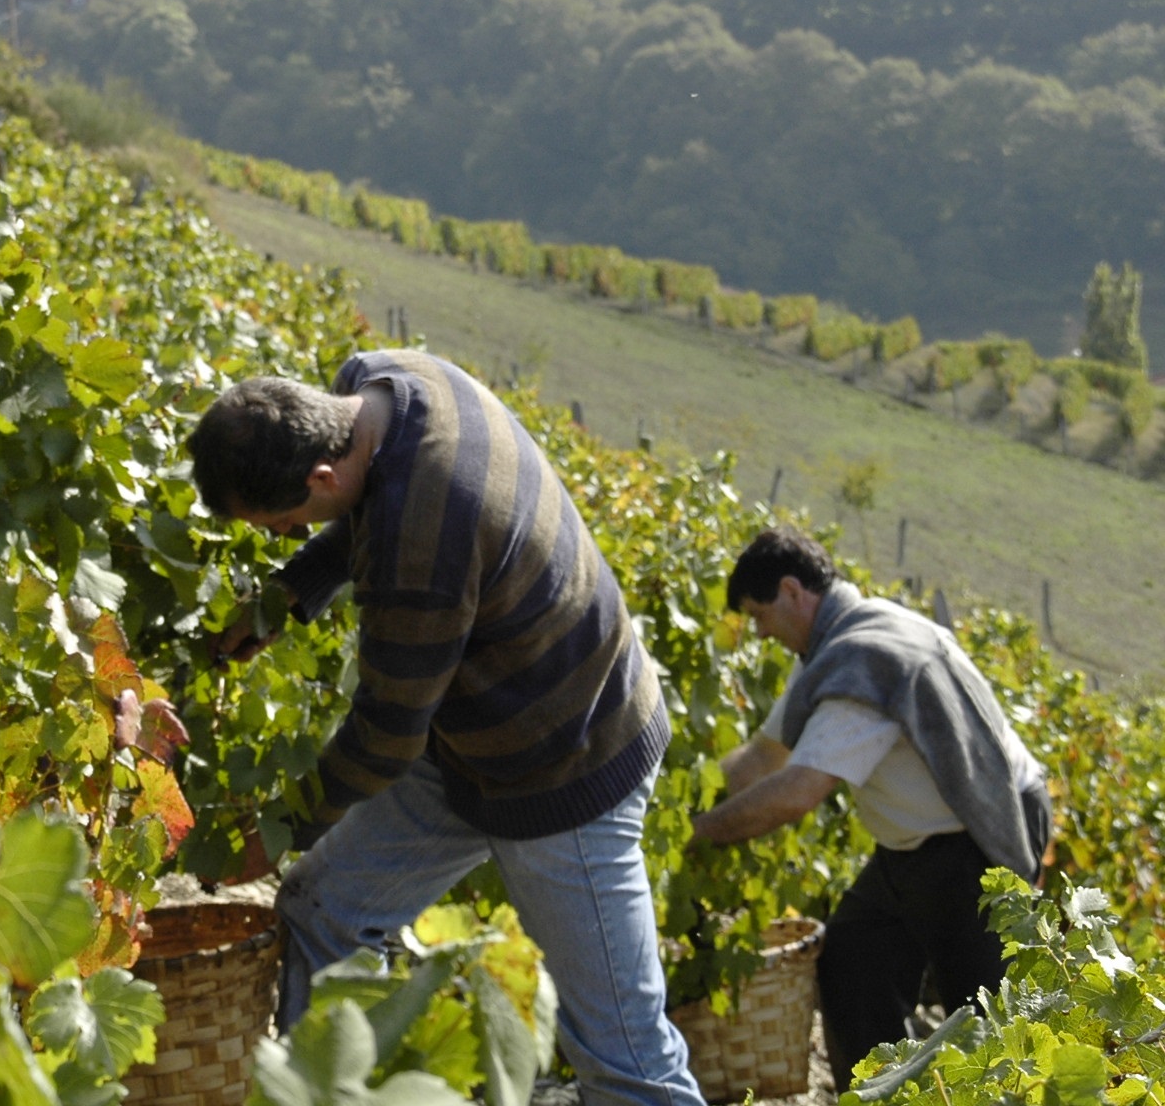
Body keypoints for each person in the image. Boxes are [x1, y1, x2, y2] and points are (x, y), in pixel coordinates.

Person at [186, 351, 703, 1106]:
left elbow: (388, 734)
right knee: (322, 912)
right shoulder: (381, 382)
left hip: (570, 763)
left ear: (319, 480)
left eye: (282, 523)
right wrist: (296, 586)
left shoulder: (422, 537)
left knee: (626, 1061)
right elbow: (369, 504)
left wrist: (281, 829)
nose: (285, 533)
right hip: (469, 743)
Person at [690, 528, 1051, 1090]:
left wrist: (700, 832)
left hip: (977, 843)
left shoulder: (867, 662)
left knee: (990, 1030)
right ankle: (885, 1098)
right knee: (853, 965)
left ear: (791, 591)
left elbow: (796, 791)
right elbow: (764, 756)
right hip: (914, 847)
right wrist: (689, 796)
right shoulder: (837, 645)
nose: (759, 632)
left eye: (759, 615)